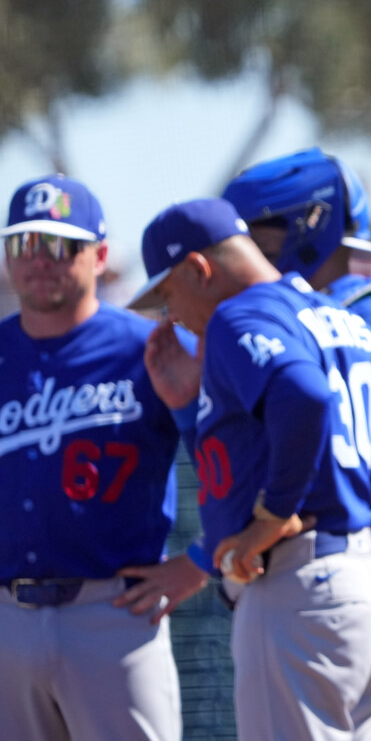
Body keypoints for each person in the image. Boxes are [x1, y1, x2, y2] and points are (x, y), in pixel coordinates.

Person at [126, 197, 371, 740]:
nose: (171, 315)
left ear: (199, 269)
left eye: (167, 294)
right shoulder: (339, 318)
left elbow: (304, 395)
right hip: (360, 586)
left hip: (299, 591)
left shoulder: (239, 316)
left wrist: (272, 513)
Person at [221, 146, 371, 667]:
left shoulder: (365, 316)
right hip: (326, 575)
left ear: (307, 227)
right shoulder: (290, 317)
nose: (240, 250)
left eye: (257, 233)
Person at [0, 174, 205, 741]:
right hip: (7, 618)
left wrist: (203, 559)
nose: (40, 260)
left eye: (61, 245)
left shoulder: (149, 346)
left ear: (101, 256)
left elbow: (231, 450)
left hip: (114, 614)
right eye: (24, 243)